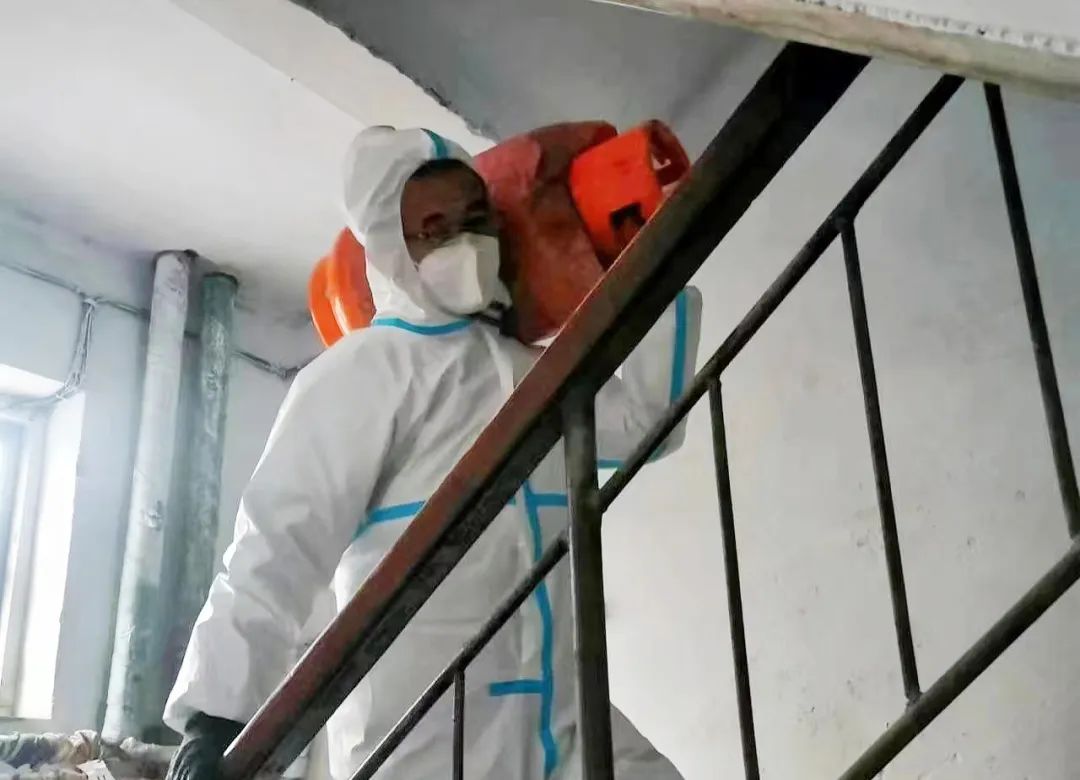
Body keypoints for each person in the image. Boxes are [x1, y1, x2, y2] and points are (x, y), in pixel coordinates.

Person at [164, 126, 701, 780]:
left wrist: (641, 262)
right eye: (435, 227)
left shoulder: (527, 371)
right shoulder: (361, 374)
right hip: (423, 738)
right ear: (393, 247)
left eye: (476, 219)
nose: (464, 241)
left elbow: (644, 425)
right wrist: (214, 719)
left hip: (557, 719)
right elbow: (277, 547)